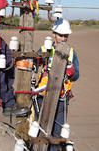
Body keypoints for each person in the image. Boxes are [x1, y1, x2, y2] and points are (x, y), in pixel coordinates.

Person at [34, 18, 80, 151]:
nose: (63, 38)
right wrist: (37, 61)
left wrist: (71, 73)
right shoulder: (45, 49)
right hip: (43, 96)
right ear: (54, 33)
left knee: (56, 135)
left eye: (66, 36)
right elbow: (33, 66)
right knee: (40, 131)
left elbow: (76, 75)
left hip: (61, 98)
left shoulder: (71, 53)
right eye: (61, 35)